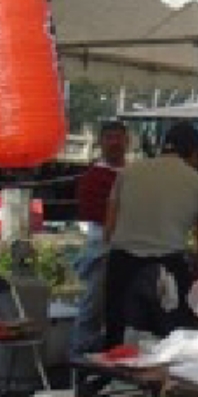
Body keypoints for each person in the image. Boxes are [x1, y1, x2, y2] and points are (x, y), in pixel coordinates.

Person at [103, 122, 198, 348]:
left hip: (122, 266)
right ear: (195, 153)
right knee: (165, 348)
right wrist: (195, 273)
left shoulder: (127, 173)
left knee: (117, 345)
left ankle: (112, 382)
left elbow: (109, 230)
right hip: (169, 268)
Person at [69, 120, 127, 357]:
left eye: (118, 138)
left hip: (128, 247)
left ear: (127, 140)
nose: (114, 143)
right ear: (101, 142)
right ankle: (79, 357)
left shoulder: (134, 173)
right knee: (92, 307)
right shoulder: (93, 176)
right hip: (101, 246)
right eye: (109, 138)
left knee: (122, 309)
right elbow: (94, 213)